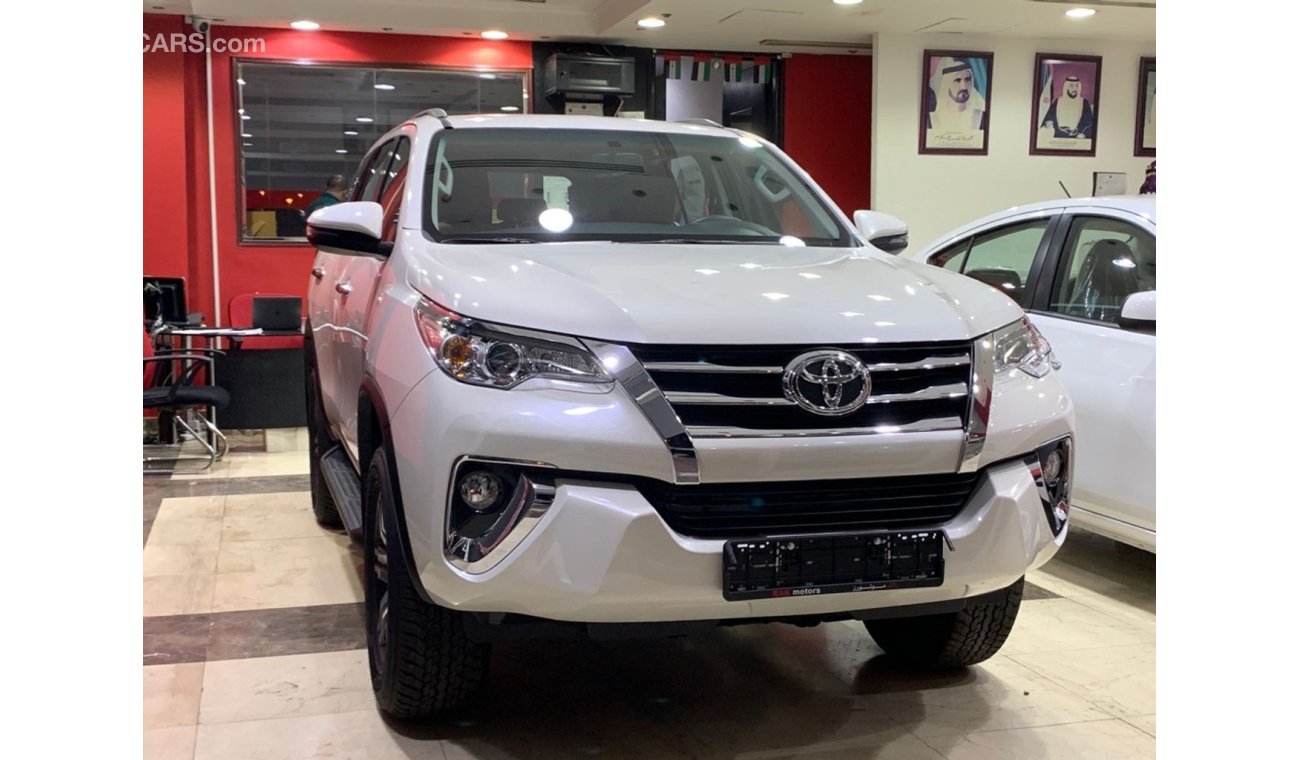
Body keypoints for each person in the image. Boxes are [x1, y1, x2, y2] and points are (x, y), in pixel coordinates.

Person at [927, 57, 987, 132]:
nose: (964, 86)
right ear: (947, 84)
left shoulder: (981, 117)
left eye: (967, 79)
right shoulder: (932, 119)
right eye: (957, 80)